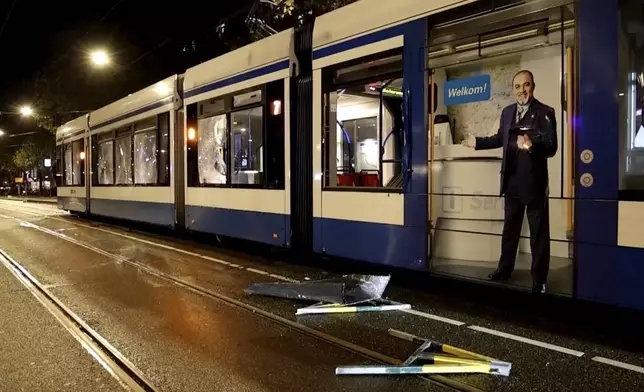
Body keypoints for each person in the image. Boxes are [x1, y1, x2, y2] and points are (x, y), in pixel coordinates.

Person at [462, 70, 557, 294]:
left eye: (526, 85)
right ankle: (505, 269)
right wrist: (476, 142)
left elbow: (552, 147)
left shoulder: (545, 112)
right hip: (511, 182)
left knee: (538, 236)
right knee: (510, 231)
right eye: (517, 86)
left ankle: (539, 280)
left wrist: (532, 144)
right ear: (513, 89)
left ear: (533, 86)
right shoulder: (507, 112)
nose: (522, 90)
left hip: (534, 184)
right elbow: (499, 138)